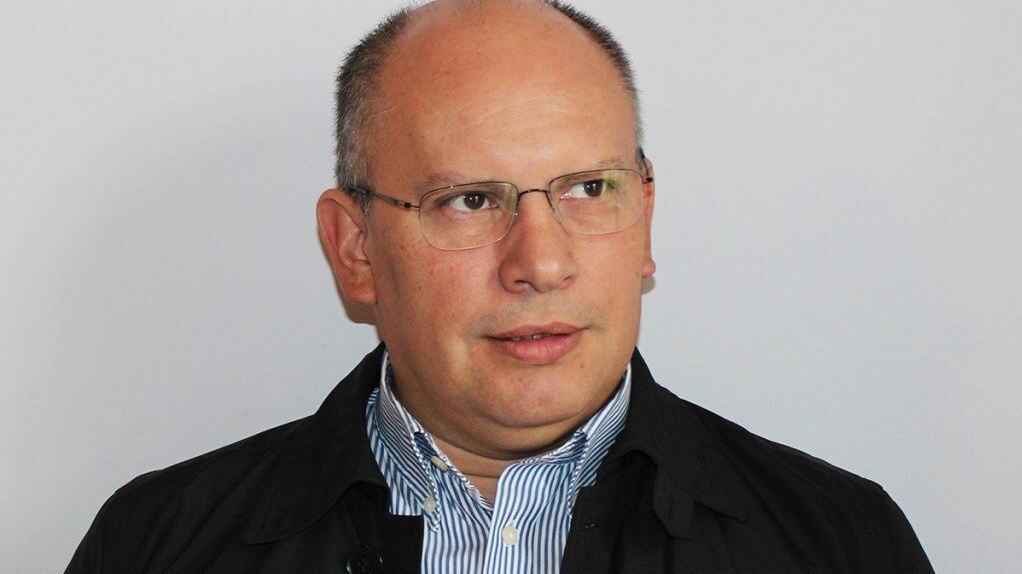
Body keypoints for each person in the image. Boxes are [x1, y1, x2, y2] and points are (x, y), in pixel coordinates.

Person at [66, 1, 934, 572]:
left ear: (645, 222)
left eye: (588, 189)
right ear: (355, 248)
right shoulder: (157, 547)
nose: (541, 263)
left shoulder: (840, 544)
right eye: (470, 200)